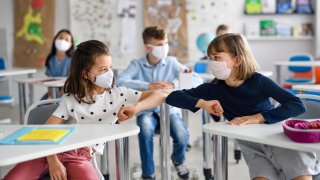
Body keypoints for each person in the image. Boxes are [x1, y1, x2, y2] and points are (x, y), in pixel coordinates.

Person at [4, 40, 166, 180]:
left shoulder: (119, 94)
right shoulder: (72, 98)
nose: (109, 73)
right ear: (85, 73)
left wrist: (136, 107)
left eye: (109, 68)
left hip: (79, 156)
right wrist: (53, 161)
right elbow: (46, 130)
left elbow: (158, 95)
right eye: (102, 69)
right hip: (49, 151)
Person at [166, 33, 320, 180]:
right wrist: (202, 103)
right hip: (253, 148)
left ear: (237, 60)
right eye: (210, 58)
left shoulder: (258, 81)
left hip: (280, 140)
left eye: (217, 58)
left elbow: (297, 104)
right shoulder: (213, 88)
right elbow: (173, 97)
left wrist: (258, 117)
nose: (211, 63)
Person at [116, 26, 202, 180]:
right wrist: (146, 86)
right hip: (146, 111)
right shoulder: (137, 64)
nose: (164, 47)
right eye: (160, 44)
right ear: (148, 47)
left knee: (182, 134)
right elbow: (120, 81)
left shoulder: (172, 62)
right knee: (145, 130)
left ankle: (178, 160)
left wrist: (173, 84)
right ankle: (148, 173)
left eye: (165, 43)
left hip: (170, 111)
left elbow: (197, 79)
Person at [41, 29, 75, 100]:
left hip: (67, 92)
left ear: (70, 44)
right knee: (39, 106)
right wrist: (50, 96)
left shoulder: (72, 60)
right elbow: (50, 80)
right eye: (61, 38)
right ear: (55, 39)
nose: (63, 41)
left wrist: (60, 95)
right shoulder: (50, 59)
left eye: (66, 39)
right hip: (53, 92)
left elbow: (70, 79)